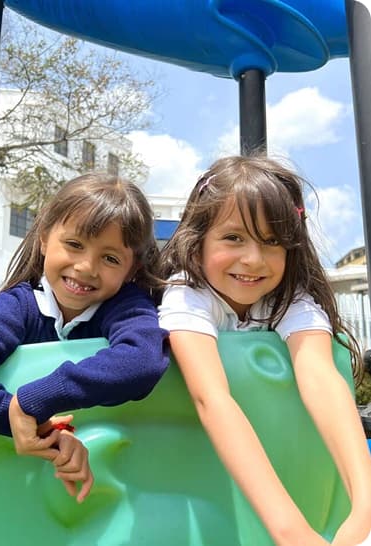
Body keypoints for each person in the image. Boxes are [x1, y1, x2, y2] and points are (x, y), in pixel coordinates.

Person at [0, 173, 169, 503]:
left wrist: (34, 398)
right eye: (74, 245)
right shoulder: (20, 306)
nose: (86, 267)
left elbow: (142, 361)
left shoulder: (127, 306)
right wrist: (31, 423)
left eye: (110, 258)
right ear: (45, 239)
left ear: (132, 268)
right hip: (9, 494)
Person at [158, 155, 371, 546]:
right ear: (198, 238)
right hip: (201, 490)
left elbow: (321, 378)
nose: (253, 260)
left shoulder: (289, 300)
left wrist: (364, 504)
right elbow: (212, 398)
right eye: (233, 238)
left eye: (272, 242)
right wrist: (290, 530)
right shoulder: (187, 296)